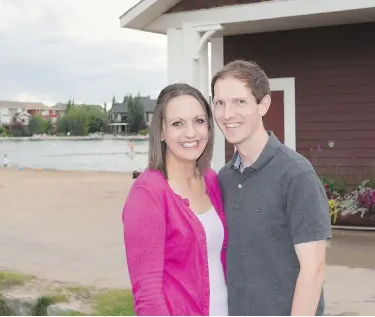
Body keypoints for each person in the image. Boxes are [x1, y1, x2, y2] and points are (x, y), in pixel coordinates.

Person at [211, 60, 332, 316]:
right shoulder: (223, 178)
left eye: (239, 102)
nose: (227, 114)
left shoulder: (297, 175)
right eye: (219, 103)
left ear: (263, 105)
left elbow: (314, 270)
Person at [122, 83, 228, 316]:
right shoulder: (148, 194)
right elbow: (148, 296)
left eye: (198, 121)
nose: (191, 133)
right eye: (177, 124)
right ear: (161, 131)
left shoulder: (211, 179)